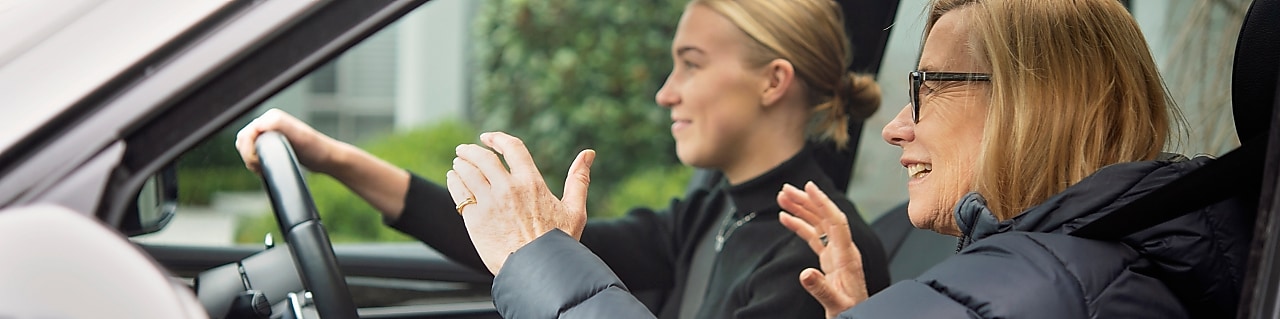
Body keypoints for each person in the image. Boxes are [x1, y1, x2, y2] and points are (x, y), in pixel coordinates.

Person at [447, 0, 1254, 318]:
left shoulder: (1038, 281)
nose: (898, 126)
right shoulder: (1083, 265)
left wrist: (535, 257)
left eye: (929, 88)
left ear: (1028, 98)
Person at [235, 0, 891, 317]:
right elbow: (507, 249)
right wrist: (330, 157)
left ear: (773, 82)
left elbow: (540, 261)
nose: (666, 91)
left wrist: (541, 248)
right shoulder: (716, 210)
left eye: (690, 65)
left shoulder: (819, 253)